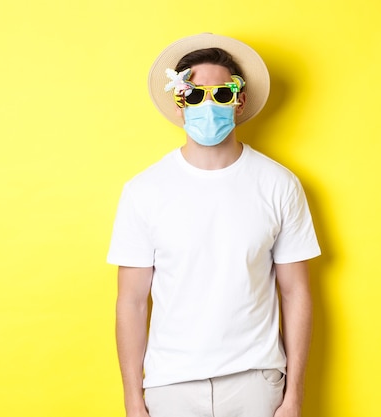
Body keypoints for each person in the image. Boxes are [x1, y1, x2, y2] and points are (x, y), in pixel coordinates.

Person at [107, 33, 321, 417]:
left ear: (239, 102)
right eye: (194, 94)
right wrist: (132, 397)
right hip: (170, 384)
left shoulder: (278, 184)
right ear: (179, 104)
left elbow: (297, 293)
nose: (208, 103)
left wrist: (294, 396)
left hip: (256, 381)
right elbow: (132, 301)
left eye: (221, 94)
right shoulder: (144, 190)